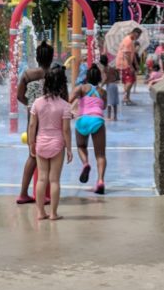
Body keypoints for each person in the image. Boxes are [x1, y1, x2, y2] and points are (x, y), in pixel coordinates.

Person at [29, 64, 72, 221]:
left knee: (42, 178)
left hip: (41, 143)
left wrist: (31, 143)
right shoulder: (65, 106)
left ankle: (40, 212)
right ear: (62, 85)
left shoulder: (37, 103)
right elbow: (66, 130)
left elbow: (32, 125)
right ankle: (53, 213)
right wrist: (69, 149)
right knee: (54, 180)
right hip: (57, 144)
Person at [15, 42, 55, 204]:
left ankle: (24, 193)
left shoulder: (27, 75)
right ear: (51, 57)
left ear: (37, 57)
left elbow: (19, 96)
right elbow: (63, 98)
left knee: (32, 156)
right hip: (51, 121)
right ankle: (47, 194)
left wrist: (32, 105)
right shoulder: (55, 74)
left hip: (33, 120)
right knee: (52, 156)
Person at [69, 63, 107, 194]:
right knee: (100, 154)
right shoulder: (103, 92)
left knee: (81, 146)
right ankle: (100, 181)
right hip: (97, 120)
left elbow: (68, 101)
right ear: (99, 78)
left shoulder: (81, 88)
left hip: (82, 119)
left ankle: (85, 163)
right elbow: (104, 107)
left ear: (87, 77)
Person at [117, 27, 141, 104]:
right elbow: (127, 55)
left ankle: (127, 98)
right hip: (124, 63)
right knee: (130, 80)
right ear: (134, 33)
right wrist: (131, 67)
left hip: (124, 63)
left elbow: (132, 55)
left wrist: (136, 64)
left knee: (127, 81)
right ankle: (125, 97)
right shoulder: (128, 41)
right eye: (137, 36)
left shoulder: (130, 41)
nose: (138, 38)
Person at [101, 53, 120, 121]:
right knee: (114, 102)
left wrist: (101, 85)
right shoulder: (111, 68)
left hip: (110, 85)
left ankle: (108, 117)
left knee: (109, 101)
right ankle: (115, 117)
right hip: (115, 85)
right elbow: (116, 76)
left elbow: (105, 78)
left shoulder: (105, 69)